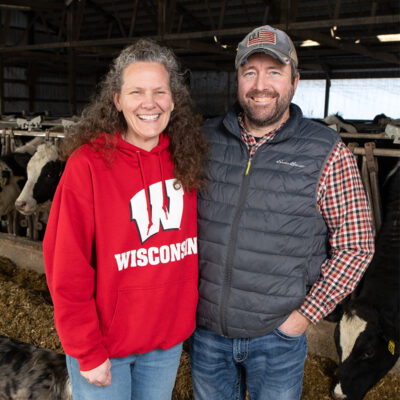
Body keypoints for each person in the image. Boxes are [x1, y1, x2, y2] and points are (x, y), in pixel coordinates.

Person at [190, 25, 375, 400]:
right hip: (206, 335)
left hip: (277, 339)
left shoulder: (325, 150)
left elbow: (357, 245)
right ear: (238, 79)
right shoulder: (203, 140)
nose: (261, 85)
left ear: (295, 80)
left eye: (274, 72)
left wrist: (303, 317)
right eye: (250, 72)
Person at [43, 39, 208, 399]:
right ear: (116, 99)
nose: (149, 103)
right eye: (136, 92)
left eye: (159, 91)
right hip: (106, 349)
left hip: (163, 346)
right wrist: (86, 350)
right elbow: (66, 264)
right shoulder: (87, 164)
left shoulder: (188, 158)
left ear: (174, 99)